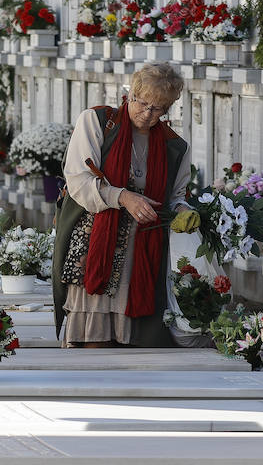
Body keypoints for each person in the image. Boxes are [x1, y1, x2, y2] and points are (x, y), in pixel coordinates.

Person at [52, 63, 199, 348]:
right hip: (95, 245)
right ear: (130, 94)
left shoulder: (173, 146)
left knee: (134, 342)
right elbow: (78, 181)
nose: (147, 114)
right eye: (142, 103)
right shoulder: (96, 122)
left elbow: (177, 196)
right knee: (92, 341)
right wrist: (122, 197)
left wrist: (183, 210)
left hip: (141, 250)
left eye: (158, 109)